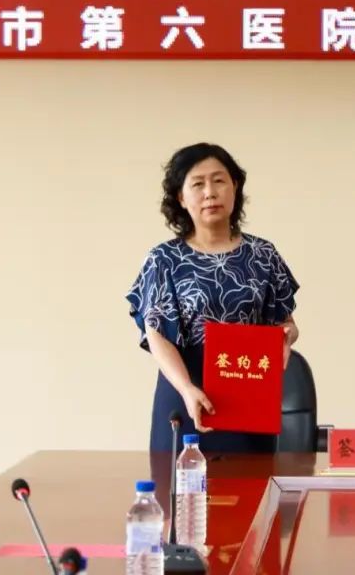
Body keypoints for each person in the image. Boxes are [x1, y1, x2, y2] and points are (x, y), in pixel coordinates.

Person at [126, 143, 300, 453]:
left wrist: (286, 336)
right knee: (183, 480)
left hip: (249, 394)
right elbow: (156, 335)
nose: (210, 192)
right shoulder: (163, 259)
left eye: (219, 180)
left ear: (235, 186)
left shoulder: (263, 255)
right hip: (185, 394)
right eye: (197, 184)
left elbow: (284, 322)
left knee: (252, 481)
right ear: (181, 197)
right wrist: (186, 388)